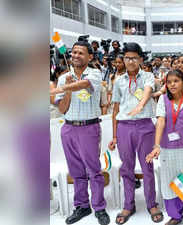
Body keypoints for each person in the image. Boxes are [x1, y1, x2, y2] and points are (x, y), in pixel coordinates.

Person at [50, 41, 110, 225]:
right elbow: (63, 108)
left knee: (94, 170)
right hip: (68, 128)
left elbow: (84, 84)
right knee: (76, 171)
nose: (75, 55)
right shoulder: (64, 78)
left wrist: (63, 88)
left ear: (90, 57)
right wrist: (66, 88)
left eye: (80, 53)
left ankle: (99, 207)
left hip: (89, 128)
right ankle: (82, 205)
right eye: (73, 52)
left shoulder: (94, 73)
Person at [108, 42, 163, 224]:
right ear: (123, 59)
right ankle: (128, 204)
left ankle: (151, 203)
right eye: (127, 58)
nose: (130, 61)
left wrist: (140, 106)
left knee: (147, 167)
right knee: (126, 168)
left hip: (145, 126)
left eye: (134, 58)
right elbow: (115, 109)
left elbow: (147, 92)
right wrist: (115, 135)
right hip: (124, 127)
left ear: (140, 59)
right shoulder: (118, 81)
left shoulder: (148, 76)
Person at [146, 69, 183, 225]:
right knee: (170, 183)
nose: (172, 84)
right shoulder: (163, 100)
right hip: (168, 150)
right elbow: (160, 122)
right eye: (169, 81)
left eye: (176, 81)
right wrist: (157, 145)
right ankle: (175, 216)